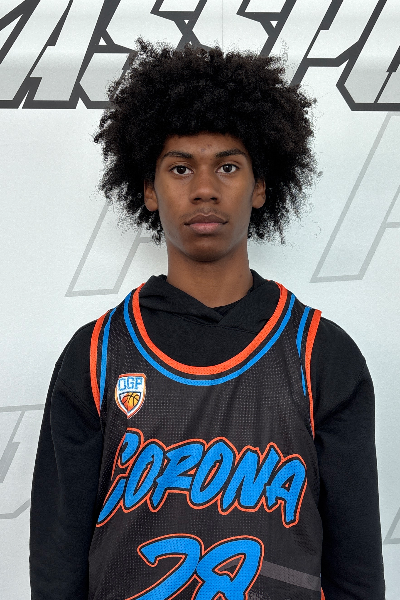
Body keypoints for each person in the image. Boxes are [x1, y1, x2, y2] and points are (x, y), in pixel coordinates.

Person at [29, 39, 385, 600]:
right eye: (179, 167)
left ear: (260, 186)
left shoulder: (321, 354)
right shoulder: (96, 356)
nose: (203, 189)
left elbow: (356, 568)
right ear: (148, 190)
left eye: (228, 166)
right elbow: (56, 564)